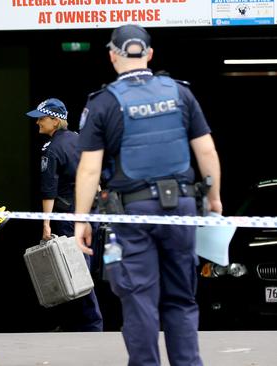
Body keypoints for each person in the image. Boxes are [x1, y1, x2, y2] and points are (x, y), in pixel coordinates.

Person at [74, 24, 222, 366]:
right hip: (181, 207)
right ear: (150, 55)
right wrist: (213, 198)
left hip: (133, 211)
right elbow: (207, 151)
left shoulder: (104, 102)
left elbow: (89, 170)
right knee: (181, 298)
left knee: (139, 298)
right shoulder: (180, 93)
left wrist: (81, 218)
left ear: (113, 56)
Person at [26, 98, 104, 332]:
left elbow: (49, 189)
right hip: (90, 215)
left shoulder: (51, 149)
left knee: (74, 271)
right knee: (78, 269)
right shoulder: (82, 141)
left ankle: (91, 325)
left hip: (68, 217)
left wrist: (46, 223)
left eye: (41, 118)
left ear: (55, 120)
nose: (37, 122)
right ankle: (76, 323)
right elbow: (96, 179)